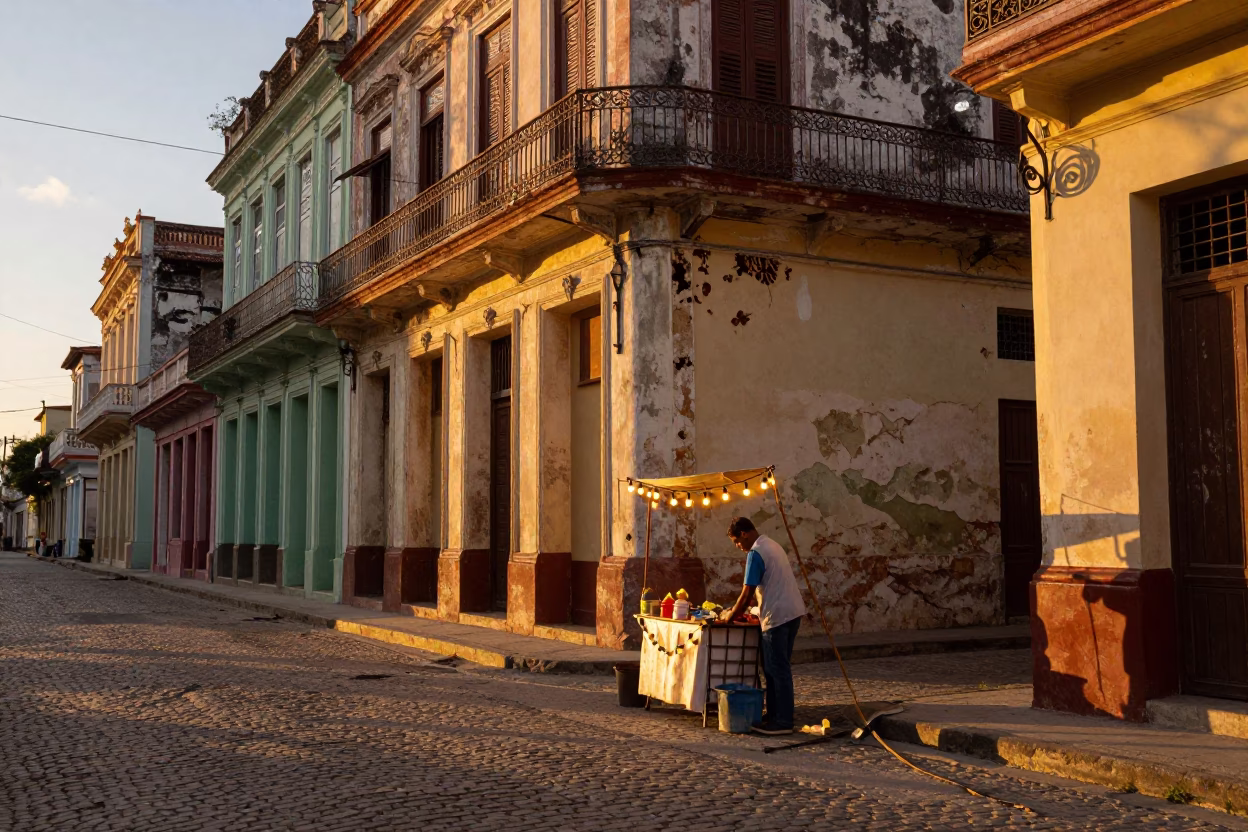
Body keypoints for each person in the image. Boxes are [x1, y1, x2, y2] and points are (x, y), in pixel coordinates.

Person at [719, 516, 807, 735]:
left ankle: (783, 721)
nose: (738, 547)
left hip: (777, 616)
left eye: (737, 542)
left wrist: (730, 616)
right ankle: (776, 714)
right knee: (775, 669)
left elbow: (747, 592)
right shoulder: (772, 544)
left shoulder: (756, 552)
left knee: (777, 670)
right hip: (792, 612)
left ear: (744, 534)